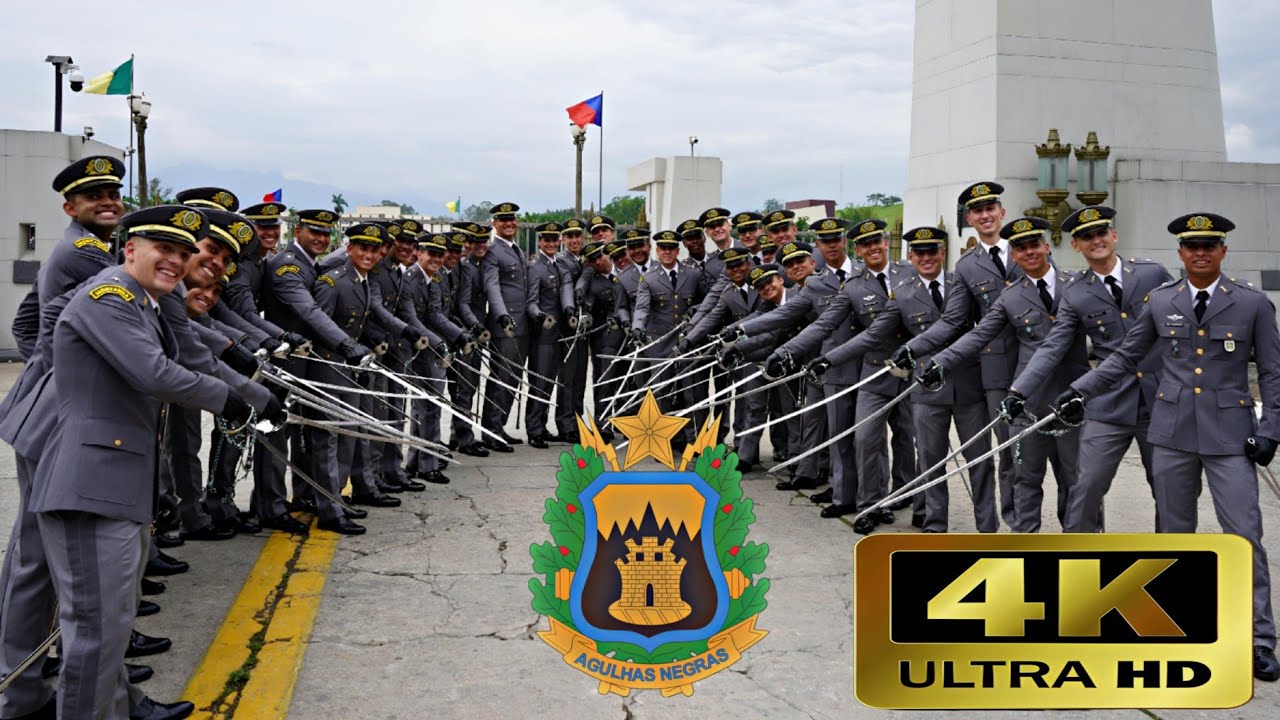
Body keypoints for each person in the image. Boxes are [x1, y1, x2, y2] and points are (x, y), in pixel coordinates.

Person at [31, 204, 248, 720]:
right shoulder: (109, 296)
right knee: (95, 632)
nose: (175, 262)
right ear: (130, 249)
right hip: (89, 485)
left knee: (111, 624)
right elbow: (155, 373)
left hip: (116, 482)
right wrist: (231, 398)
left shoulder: (143, 302)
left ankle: (122, 707)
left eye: (182, 253)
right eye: (163, 250)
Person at [1054, 212, 1280, 682]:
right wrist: (1081, 390)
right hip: (1171, 433)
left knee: (1243, 535)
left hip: (1229, 437)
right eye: (1192, 246)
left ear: (1222, 251)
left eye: (1210, 245)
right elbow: (1125, 356)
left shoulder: (1253, 304)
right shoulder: (1161, 301)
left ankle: (1258, 638)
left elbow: (1274, 374)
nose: (1200, 252)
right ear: (1179, 253)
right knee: (1175, 535)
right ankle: (1176, 622)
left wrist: (1272, 428)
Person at [813, 227, 996, 533]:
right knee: (928, 457)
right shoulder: (903, 293)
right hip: (922, 382)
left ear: (942, 253)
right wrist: (829, 358)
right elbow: (871, 334)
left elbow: (985, 326)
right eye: (919, 253)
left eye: (932, 251)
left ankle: (987, 530)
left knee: (979, 461)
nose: (926, 258)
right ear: (911, 256)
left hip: (966, 382)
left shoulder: (959, 283)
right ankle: (933, 525)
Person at [1010, 206, 1173, 531]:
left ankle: (1170, 558)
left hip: (1159, 401)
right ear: (1076, 246)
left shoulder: (1152, 274)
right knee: (1085, 488)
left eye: (1101, 233)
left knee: (1169, 490)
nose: (1095, 240)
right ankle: (1081, 561)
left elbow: (1180, 322)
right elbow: (1053, 345)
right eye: (1086, 237)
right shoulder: (1076, 292)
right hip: (1109, 405)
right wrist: (1019, 390)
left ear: (1114, 235)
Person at [918, 217, 1085, 533]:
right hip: (1027, 397)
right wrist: (940, 362)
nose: (1029, 252)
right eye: (1020, 248)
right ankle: (1023, 541)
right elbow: (979, 335)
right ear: (1014, 255)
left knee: (1075, 474)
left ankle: (1077, 540)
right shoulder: (1009, 297)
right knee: (1024, 473)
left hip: (1070, 394)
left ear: (1047, 246)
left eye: (1034, 244)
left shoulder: (1076, 286)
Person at [892, 181, 1022, 528]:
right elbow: (954, 321)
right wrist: (910, 351)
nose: (985, 215)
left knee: (997, 457)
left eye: (990, 208)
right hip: (977, 374)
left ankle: (995, 526)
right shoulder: (968, 267)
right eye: (978, 211)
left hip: (995, 374)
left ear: (1002, 212)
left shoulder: (1027, 248)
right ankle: (937, 526)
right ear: (969, 218)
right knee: (933, 459)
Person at [769, 218, 916, 525]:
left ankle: (900, 493)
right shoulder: (832, 283)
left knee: (901, 436)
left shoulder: (905, 272)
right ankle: (853, 496)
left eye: (877, 241)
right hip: (853, 366)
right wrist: (777, 348)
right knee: (855, 439)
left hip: (903, 366)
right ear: (819, 247)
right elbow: (814, 324)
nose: (833, 245)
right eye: (826, 241)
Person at [727, 240, 834, 493]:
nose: (767, 289)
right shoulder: (780, 299)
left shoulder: (808, 290)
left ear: (780, 278)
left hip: (821, 361)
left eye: (770, 282)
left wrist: (740, 342)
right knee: (797, 417)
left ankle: (817, 470)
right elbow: (763, 324)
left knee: (817, 420)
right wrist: (733, 341)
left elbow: (780, 329)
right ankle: (802, 469)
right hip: (796, 363)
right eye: (760, 287)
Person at [630, 231, 708, 445]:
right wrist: (637, 327)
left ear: (678, 250)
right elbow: (642, 307)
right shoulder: (649, 277)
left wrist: (696, 309)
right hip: (659, 344)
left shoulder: (692, 274)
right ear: (657, 251)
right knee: (662, 392)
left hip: (687, 341)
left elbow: (707, 301)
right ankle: (667, 440)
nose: (667, 252)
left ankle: (695, 440)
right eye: (663, 248)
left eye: (671, 248)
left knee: (691, 391)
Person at [479, 202, 530, 453]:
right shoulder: (492, 251)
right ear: (494, 224)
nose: (509, 224)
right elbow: (492, 287)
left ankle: (500, 427)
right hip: (505, 326)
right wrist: (502, 315)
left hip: (522, 325)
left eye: (512, 220)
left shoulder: (517, 250)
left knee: (513, 379)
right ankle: (491, 431)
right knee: (501, 378)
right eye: (503, 220)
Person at [576, 242, 631, 439]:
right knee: (605, 380)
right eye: (593, 260)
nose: (599, 262)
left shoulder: (627, 271)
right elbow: (587, 302)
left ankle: (626, 422)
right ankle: (603, 424)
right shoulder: (594, 282)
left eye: (601, 256)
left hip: (631, 336)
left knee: (629, 381)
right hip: (606, 337)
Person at [525, 222, 566, 448]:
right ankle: (534, 430)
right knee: (539, 382)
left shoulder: (558, 265)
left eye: (554, 240)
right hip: (542, 334)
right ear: (539, 242)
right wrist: (540, 316)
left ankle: (541, 425)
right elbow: (531, 302)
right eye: (546, 240)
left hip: (558, 334)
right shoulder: (535, 267)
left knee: (549, 382)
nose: (551, 243)